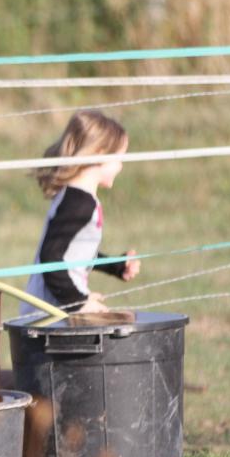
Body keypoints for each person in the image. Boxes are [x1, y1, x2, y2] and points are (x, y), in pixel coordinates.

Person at [19, 110, 141, 318]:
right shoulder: (78, 203)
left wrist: (114, 265)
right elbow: (52, 258)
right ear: (100, 154)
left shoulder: (78, 198)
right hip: (48, 318)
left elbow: (75, 253)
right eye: (119, 158)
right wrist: (78, 302)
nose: (121, 166)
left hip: (57, 309)